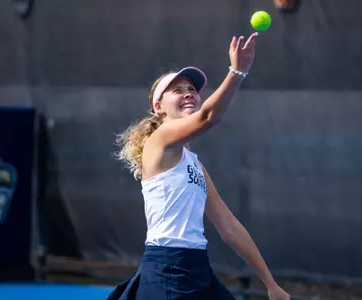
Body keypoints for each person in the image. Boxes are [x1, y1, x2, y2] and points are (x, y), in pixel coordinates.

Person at [109, 32, 291, 300]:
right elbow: (207, 116)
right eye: (177, 90)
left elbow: (229, 227)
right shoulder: (159, 142)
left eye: (192, 89)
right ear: (158, 107)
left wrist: (270, 284)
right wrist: (236, 72)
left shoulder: (193, 165)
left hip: (197, 269)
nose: (189, 94)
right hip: (167, 268)